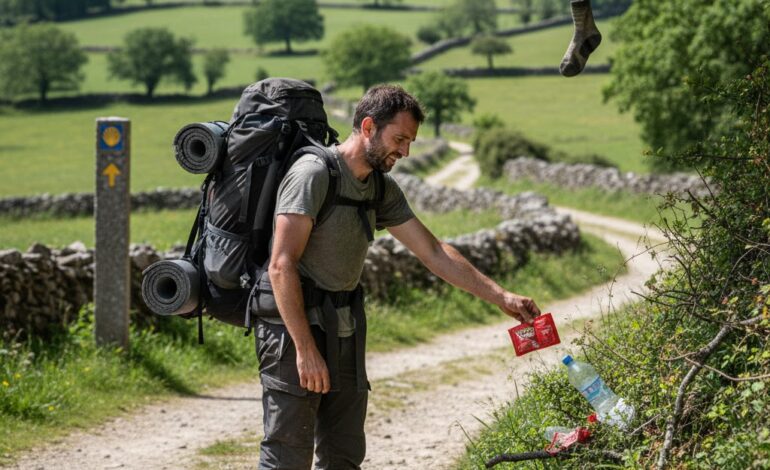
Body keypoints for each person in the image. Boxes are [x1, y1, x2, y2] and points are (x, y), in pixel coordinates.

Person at [256, 84, 542, 469]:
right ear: (369, 126)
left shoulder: (380, 188)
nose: (405, 152)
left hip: (344, 326)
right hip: (292, 331)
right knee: (287, 455)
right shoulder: (313, 174)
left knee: (343, 455)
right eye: (400, 139)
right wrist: (306, 350)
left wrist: (501, 296)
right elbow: (281, 264)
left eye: (410, 142)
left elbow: (434, 252)